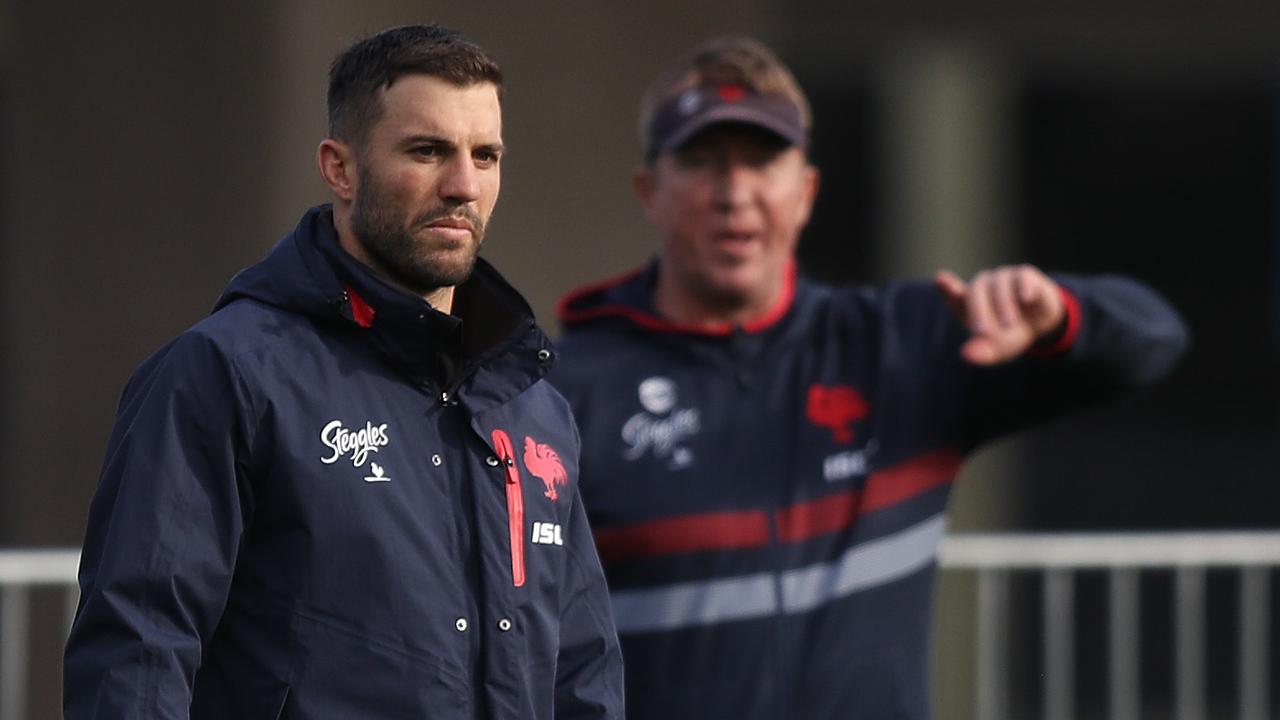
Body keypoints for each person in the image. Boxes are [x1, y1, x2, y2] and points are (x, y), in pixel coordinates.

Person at [550, 37, 1187, 720]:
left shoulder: (903, 344)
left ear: (806, 191)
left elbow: (1152, 340)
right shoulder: (568, 392)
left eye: (763, 160)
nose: (734, 194)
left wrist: (1058, 315)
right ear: (650, 191)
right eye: (702, 162)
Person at [64, 25, 623, 719]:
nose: (464, 185)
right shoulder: (224, 371)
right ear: (340, 168)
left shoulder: (532, 404)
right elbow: (139, 650)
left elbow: (584, 668)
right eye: (427, 151)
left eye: (487, 155)